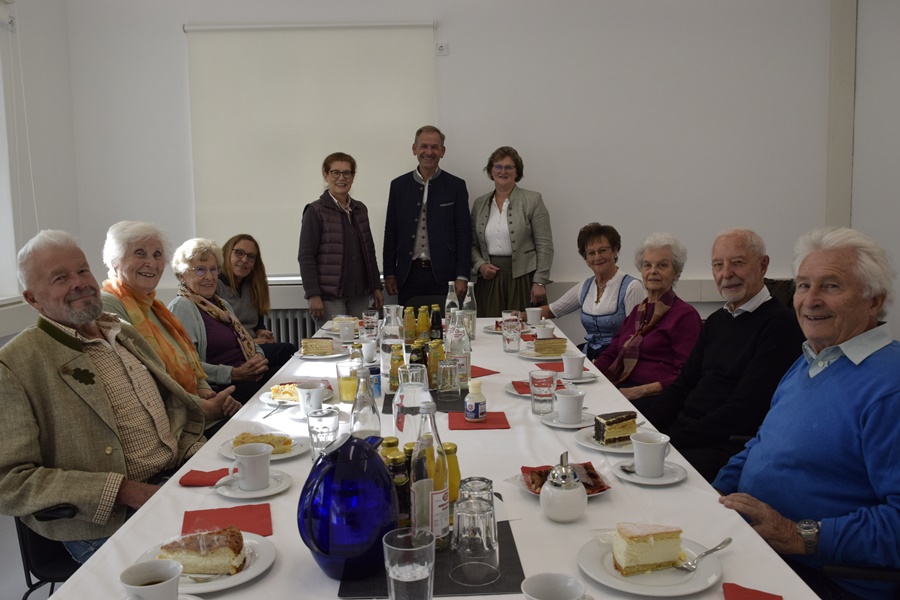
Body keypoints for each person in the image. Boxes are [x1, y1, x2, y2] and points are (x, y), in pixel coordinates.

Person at [0, 230, 228, 563]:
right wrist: (125, 491)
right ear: (33, 299)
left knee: (267, 520)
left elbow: (171, 411)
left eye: (82, 270)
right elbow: (10, 482)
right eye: (60, 278)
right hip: (110, 520)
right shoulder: (16, 364)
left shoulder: (120, 330)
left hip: (177, 479)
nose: (79, 282)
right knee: (212, 575)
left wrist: (201, 456)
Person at [714, 227, 900, 600]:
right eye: (802, 286)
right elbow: (762, 444)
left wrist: (797, 534)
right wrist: (712, 498)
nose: (810, 300)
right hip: (755, 547)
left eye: (830, 286)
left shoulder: (889, 387)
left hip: (822, 578)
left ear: (873, 301)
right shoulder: (812, 360)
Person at [641, 228, 805, 482]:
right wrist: (646, 430)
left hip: (725, 446)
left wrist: (670, 439)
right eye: (718, 265)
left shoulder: (781, 325)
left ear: (763, 266)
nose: (726, 274)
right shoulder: (718, 320)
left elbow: (742, 411)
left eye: (737, 263)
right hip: (687, 433)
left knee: (640, 477)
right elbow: (682, 385)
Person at [100, 221, 241, 434]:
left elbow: (190, 364)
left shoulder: (155, 307)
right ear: (114, 261)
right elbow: (142, 382)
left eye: (157, 255)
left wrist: (207, 393)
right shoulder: (109, 305)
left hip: (196, 408)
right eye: (140, 253)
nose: (151, 262)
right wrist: (202, 406)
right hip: (170, 426)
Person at [593, 232, 702, 408]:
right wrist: (589, 375)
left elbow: (686, 374)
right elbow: (612, 352)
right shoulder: (638, 311)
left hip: (658, 398)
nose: (653, 271)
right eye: (647, 265)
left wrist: (639, 391)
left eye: (662, 265)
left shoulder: (685, 316)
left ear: (675, 272)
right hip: (624, 388)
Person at [168, 238, 271, 404]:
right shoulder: (182, 307)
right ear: (182, 276)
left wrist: (258, 359)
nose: (209, 277)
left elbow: (248, 341)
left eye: (213, 270)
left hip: (246, 375)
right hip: (221, 387)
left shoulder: (221, 304)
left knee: (287, 379)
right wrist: (233, 373)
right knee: (270, 397)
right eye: (200, 270)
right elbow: (187, 366)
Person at [382, 125, 471, 306]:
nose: (428, 152)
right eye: (424, 146)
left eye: (434, 147)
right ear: (414, 149)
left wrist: (462, 275)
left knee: (446, 330)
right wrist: (389, 272)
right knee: (410, 328)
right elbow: (391, 231)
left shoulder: (456, 186)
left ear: (442, 151)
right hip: (408, 275)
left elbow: (464, 233)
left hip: (445, 276)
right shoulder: (398, 186)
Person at [298, 153, 384, 328]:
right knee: (336, 345)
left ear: (353, 177)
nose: (341, 178)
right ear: (325, 174)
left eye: (347, 173)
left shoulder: (360, 209)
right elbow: (306, 256)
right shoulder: (315, 211)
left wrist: (376, 287)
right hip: (330, 296)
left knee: (359, 343)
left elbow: (369, 252)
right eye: (335, 172)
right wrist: (313, 294)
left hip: (359, 293)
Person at [540, 223, 645, 360]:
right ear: (586, 259)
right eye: (591, 253)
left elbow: (634, 336)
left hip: (617, 358)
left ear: (615, 250)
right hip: (589, 353)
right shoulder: (586, 286)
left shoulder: (632, 286)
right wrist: (516, 317)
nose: (597, 257)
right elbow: (552, 310)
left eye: (602, 251)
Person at [470, 146, 553, 315]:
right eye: (498, 166)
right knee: (489, 332)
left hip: (524, 280)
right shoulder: (479, 203)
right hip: (489, 281)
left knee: (523, 332)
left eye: (509, 167)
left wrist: (540, 281)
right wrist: (480, 265)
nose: (503, 171)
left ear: (517, 172)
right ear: (491, 171)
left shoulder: (533, 200)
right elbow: (471, 244)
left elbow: (544, 244)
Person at [218, 233, 297, 367]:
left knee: (283, 366)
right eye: (239, 253)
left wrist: (262, 332)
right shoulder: (215, 286)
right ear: (226, 254)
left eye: (250, 257)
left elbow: (257, 323)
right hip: (232, 351)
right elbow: (217, 334)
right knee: (287, 351)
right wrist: (251, 342)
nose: (244, 260)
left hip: (253, 347)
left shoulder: (253, 286)